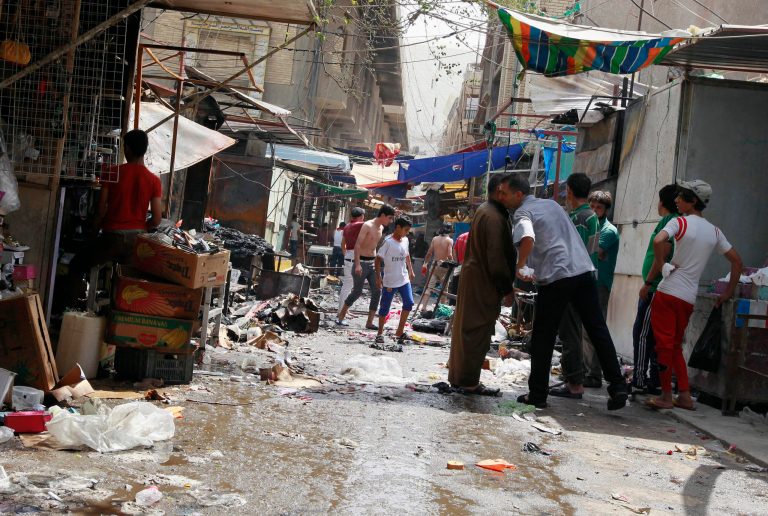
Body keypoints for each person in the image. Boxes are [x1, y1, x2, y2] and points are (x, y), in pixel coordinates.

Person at [509, 174, 628, 410]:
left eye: (504, 193)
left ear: (518, 195)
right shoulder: (553, 206)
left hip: (557, 276)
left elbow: (527, 235)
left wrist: (520, 265)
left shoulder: (523, 213)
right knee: (597, 329)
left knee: (544, 336)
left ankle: (538, 394)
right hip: (583, 271)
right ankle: (618, 385)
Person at [645, 180, 742, 410]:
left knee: (664, 347)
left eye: (681, 196)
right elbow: (737, 262)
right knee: (676, 346)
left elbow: (658, 240)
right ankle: (685, 396)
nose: (676, 200)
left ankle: (667, 396)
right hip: (688, 298)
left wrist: (662, 264)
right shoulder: (715, 231)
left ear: (693, 201)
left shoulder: (679, 223)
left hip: (668, 292)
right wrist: (727, 293)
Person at [65, 129, 162, 307]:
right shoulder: (154, 180)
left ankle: (70, 310)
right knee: (125, 281)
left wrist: (94, 230)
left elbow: (101, 208)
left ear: (129, 149)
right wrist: (141, 227)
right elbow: (156, 219)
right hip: (136, 243)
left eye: (125, 146)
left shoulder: (112, 172)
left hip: (112, 238)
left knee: (77, 264)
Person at [447, 174, 517, 396]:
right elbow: (496, 258)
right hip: (483, 282)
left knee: (467, 328)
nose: (511, 198)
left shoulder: (488, 211)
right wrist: (507, 288)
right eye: (508, 192)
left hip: (475, 278)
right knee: (476, 331)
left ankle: (460, 377)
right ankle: (468, 382)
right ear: (499, 191)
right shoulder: (494, 216)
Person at [549, 173, 601, 399]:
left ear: (569, 190)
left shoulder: (578, 218)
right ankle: (575, 378)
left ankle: (574, 383)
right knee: (577, 332)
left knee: (569, 332)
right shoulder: (592, 217)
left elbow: (573, 253)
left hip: (572, 280)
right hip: (587, 279)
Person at [631, 184, 679, 395]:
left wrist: (648, 283)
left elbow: (664, 254)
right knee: (653, 335)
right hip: (660, 287)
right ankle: (654, 380)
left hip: (656, 289)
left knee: (642, 334)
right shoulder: (669, 221)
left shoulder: (670, 222)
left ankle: (640, 380)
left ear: (662, 202)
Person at [336, 204, 395, 329]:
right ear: (383, 215)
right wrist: (357, 264)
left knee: (377, 291)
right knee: (357, 292)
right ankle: (341, 316)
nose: (390, 221)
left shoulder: (381, 228)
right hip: (361, 262)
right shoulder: (367, 225)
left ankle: (369, 322)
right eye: (389, 218)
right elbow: (357, 245)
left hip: (372, 263)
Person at [374, 217, 416, 343]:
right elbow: (378, 259)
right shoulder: (388, 242)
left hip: (403, 279)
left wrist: (411, 270)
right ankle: (380, 333)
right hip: (390, 280)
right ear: (398, 227)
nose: (407, 233)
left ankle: (400, 331)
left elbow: (407, 255)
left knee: (409, 303)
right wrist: (378, 277)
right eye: (406, 230)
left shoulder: (405, 240)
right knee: (385, 307)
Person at [338, 207, 365, 310]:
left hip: (349, 256)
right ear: (361, 216)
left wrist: (346, 255)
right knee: (348, 286)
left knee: (348, 286)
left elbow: (343, 244)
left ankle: (344, 311)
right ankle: (341, 312)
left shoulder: (347, 226)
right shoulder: (359, 225)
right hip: (354, 257)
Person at [421, 226, 454, 305]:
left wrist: (425, 264)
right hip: (444, 267)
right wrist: (452, 262)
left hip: (434, 266)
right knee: (444, 290)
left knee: (429, 287)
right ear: (449, 232)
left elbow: (429, 253)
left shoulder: (435, 239)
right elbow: (449, 255)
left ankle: (423, 307)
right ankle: (442, 307)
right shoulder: (449, 240)